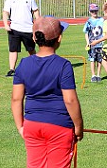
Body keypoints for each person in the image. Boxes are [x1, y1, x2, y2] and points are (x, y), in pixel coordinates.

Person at [11, 16, 84, 168]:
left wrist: (20, 126)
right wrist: (78, 126)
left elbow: (16, 99)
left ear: (34, 37)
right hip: (59, 126)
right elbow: (70, 100)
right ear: (59, 38)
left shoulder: (24, 64)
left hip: (32, 124)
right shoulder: (63, 65)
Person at [3, 0, 40, 77]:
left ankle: (37, 66)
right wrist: (6, 24)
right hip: (14, 29)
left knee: (31, 49)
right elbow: (5, 12)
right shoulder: (10, 0)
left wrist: (38, 22)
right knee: (13, 49)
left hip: (28, 29)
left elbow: (35, 11)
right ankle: (12, 69)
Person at [83, 4, 104, 82]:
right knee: (92, 60)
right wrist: (88, 42)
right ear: (89, 12)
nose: (94, 12)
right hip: (92, 44)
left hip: (101, 44)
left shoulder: (102, 20)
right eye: (92, 11)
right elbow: (86, 32)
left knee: (100, 60)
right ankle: (93, 75)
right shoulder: (89, 22)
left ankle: (98, 75)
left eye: (95, 11)